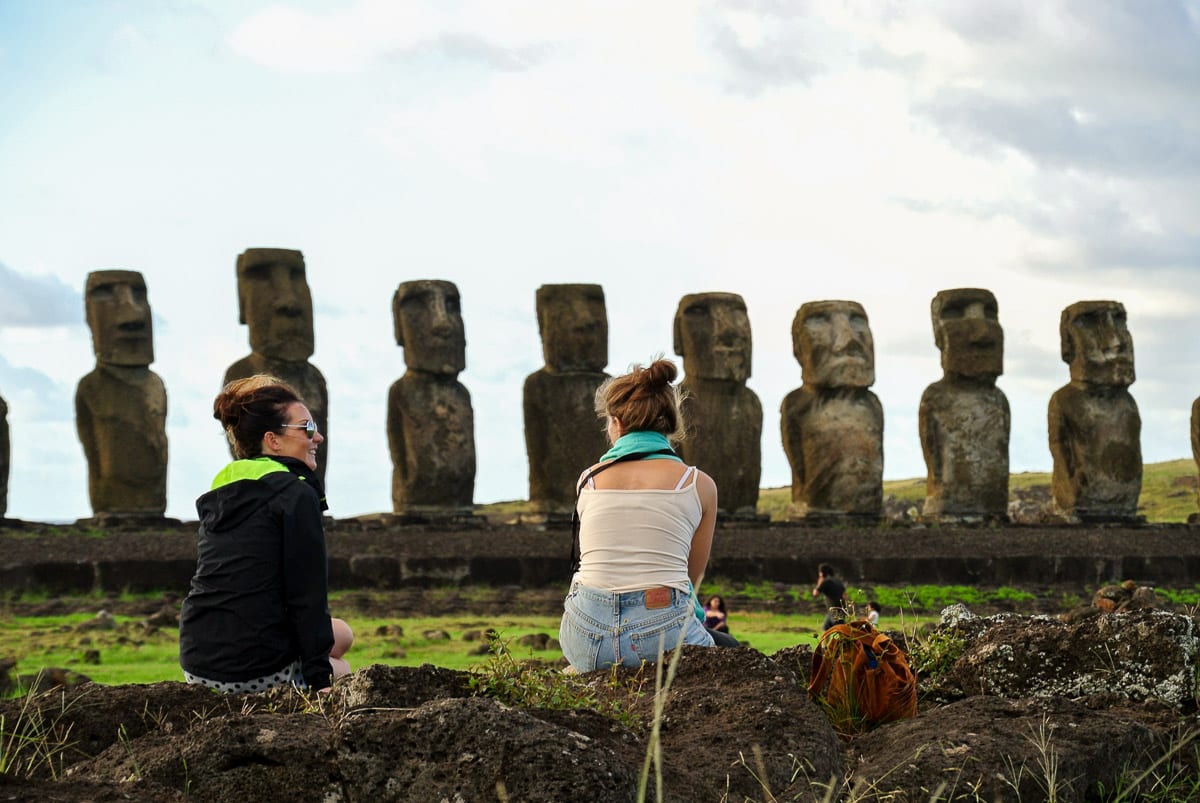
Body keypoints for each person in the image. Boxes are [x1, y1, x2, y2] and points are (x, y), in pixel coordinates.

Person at [179, 375, 353, 693]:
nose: (319, 438)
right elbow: (306, 594)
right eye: (308, 429)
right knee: (342, 667)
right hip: (253, 672)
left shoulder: (222, 490)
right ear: (273, 440)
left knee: (340, 633)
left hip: (197, 664)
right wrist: (320, 680)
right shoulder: (295, 494)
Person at [559, 358, 719, 672]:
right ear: (671, 425)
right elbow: (689, 580)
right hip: (662, 633)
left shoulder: (588, 480)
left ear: (616, 422)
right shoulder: (698, 485)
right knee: (728, 652)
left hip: (583, 636)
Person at [812, 563, 848, 631]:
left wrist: (819, 583)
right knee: (826, 629)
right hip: (838, 610)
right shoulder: (837, 580)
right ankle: (823, 642)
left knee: (842, 632)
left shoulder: (826, 581)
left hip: (834, 612)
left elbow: (815, 594)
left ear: (821, 573)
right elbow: (845, 595)